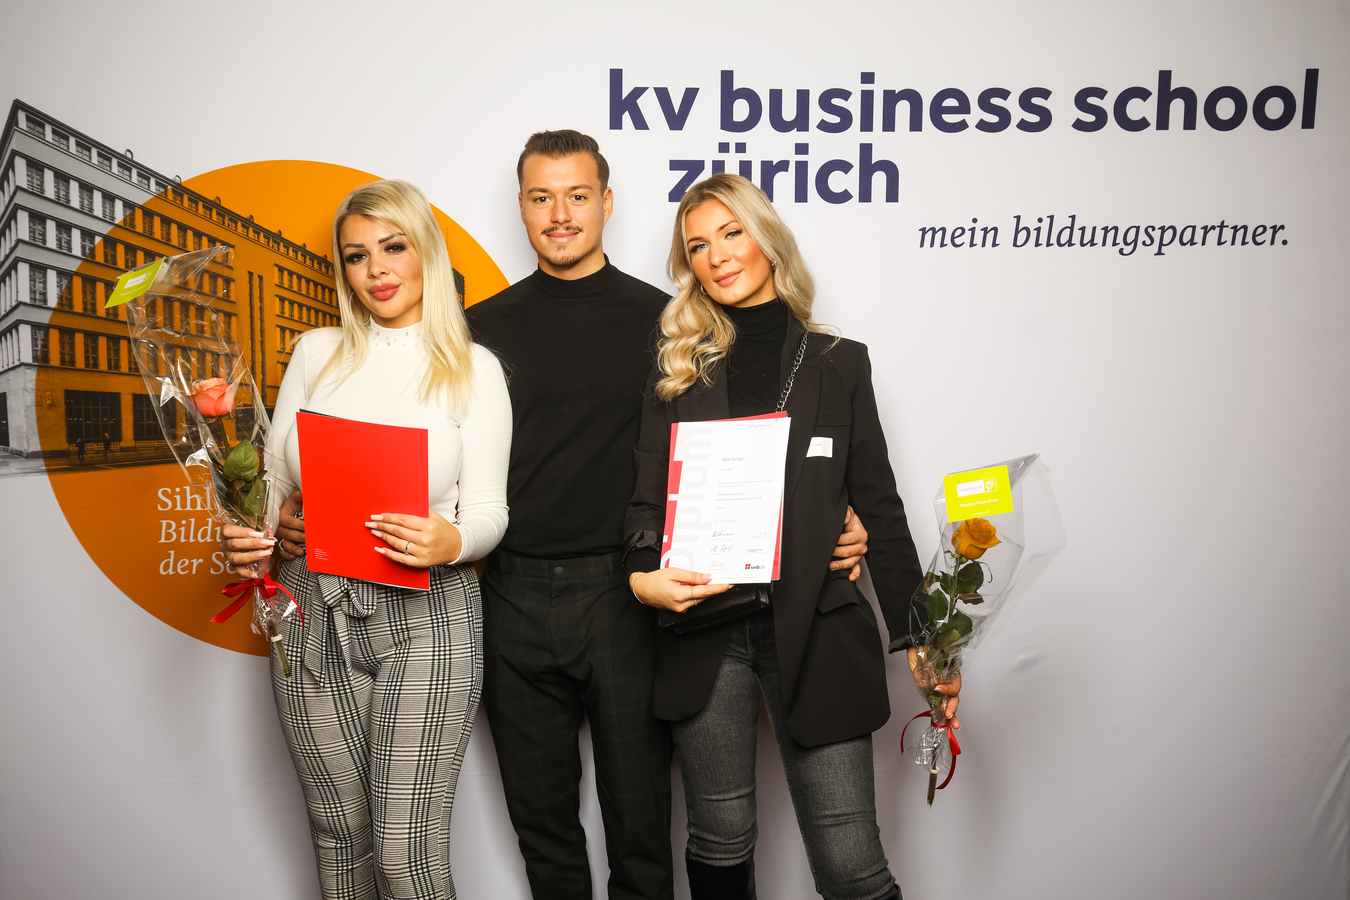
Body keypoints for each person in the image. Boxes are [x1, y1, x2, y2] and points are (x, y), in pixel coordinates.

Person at [464, 131, 871, 900]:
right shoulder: (478, 328)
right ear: (520, 207)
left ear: (607, 202)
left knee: (643, 831)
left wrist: (835, 517)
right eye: (542, 197)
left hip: (630, 597)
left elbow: (759, 434)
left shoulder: (676, 328)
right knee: (542, 830)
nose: (560, 214)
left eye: (577, 195)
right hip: (511, 591)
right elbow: (440, 447)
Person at [624, 173, 960, 900]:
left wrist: (927, 641)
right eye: (698, 246)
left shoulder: (840, 362)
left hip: (818, 629)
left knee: (851, 867)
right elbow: (647, 499)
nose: (717, 256)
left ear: (767, 239)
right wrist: (644, 576)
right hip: (704, 632)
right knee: (719, 842)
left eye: (732, 233)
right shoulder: (677, 369)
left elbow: (879, 504)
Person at [221, 179, 512, 900]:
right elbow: (276, 483)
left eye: (393, 247)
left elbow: (488, 511)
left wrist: (451, 541)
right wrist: (256, 532)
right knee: (339, 839)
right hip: (308, 606)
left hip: (427, 613)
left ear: (426, 254)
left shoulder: (474, 367)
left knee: (405, 853)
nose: (377, 269)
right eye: (356, 255)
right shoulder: (316, 352)